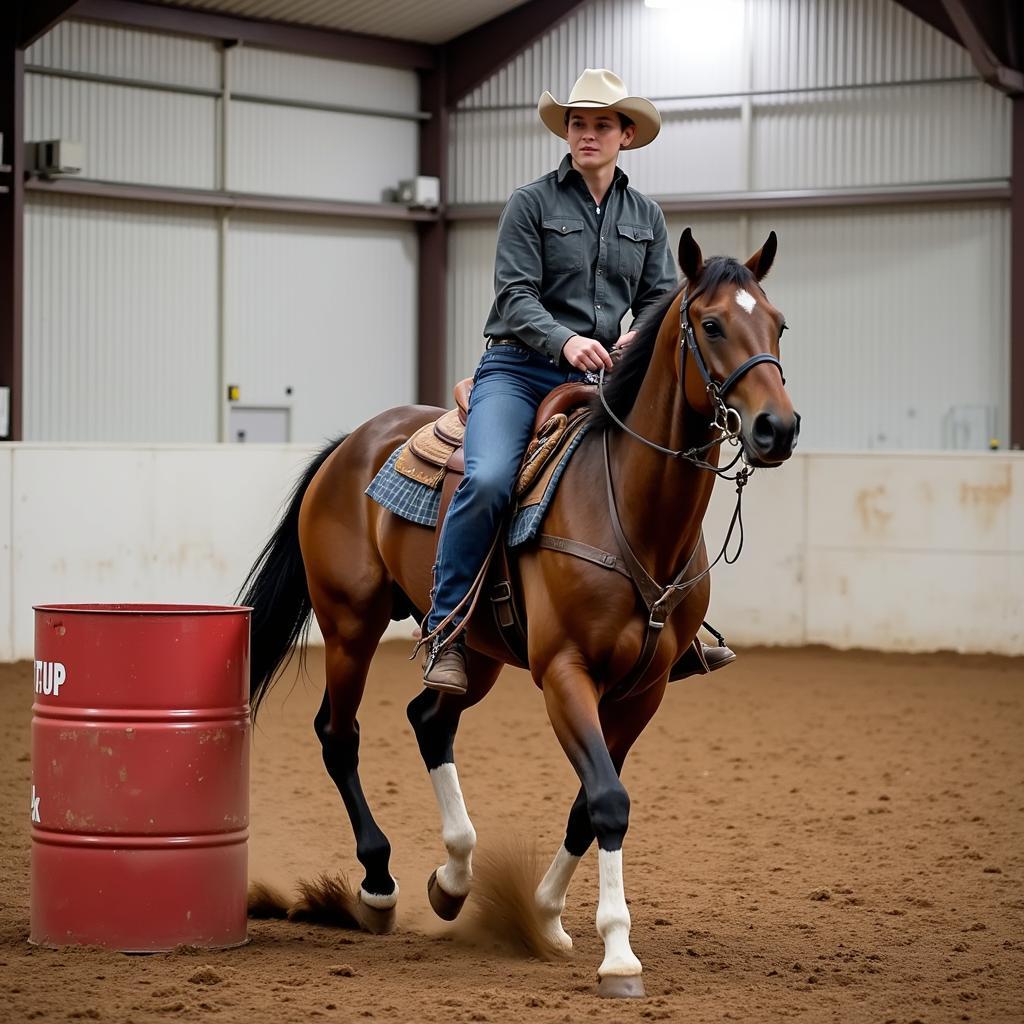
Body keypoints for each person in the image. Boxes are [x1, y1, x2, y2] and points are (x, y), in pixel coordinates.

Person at [422, 68, 735, 693]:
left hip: (605, 373)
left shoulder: (645, 215)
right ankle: (446, 628)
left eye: (600, 125)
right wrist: (565, 339)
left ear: (625, 135)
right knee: (485, 479)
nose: (587, 134)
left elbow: (657, 298)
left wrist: (634, 338)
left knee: (661, 467)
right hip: (519, 368)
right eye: (577, 124)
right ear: (566, 133)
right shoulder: (530, 203)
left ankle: (681, 617)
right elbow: (513, 294)